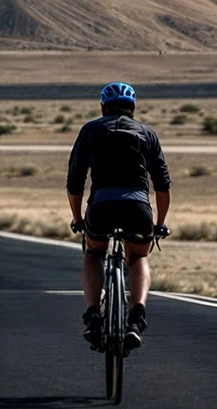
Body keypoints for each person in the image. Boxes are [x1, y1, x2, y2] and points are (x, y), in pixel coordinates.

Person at [66, 81, 171, 351]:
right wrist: (159, 224)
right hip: (138, 210)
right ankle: (137, 317)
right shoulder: (147, 133)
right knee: (138, 255)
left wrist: (77, 219)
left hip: (101, 208)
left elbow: (75, 182)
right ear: (133, 109)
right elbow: (162, 185)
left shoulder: (90, 130)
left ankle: (92, 316)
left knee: (93, 253)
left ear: (103, 108)